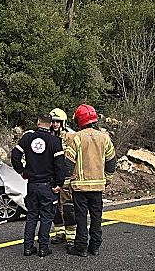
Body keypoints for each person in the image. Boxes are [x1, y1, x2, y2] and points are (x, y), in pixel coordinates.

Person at [64, 104, 116, 257]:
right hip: (98, 187)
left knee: (81, 218)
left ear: (79, 120)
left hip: (80, 188)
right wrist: (108, 179)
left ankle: (80, 247)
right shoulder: (104, 138)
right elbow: (111, 160)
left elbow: (69, 163)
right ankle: (95, 246)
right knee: (96, 217)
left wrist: (66, 183)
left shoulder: (77, 138)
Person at [11, 112, 65, 257]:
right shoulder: (55, 141)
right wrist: (59, 183)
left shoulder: (28, 138)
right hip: (48, 185)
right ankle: (43, 248)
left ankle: (28, 247)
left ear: (38, 122)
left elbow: (15, 155)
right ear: (51, 123)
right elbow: (60, 165)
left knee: (32, 216)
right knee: (47, 217)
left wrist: (21, 171)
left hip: (32, 184)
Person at [49, 108, 77, 247]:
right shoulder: (47, 137)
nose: (55, 124)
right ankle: (60, 233)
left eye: (57, 122)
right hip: (52, 180)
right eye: (53, 121)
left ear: (63, 122)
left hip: (67, 180)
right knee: (54, 209)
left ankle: (71, 237)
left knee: (68, 209)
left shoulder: (71, 138)